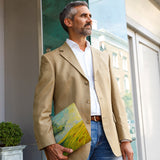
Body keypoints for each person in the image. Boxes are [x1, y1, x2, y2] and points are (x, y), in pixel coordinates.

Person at [33, 1, 134, 160]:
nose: (89, 19)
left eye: (90, 16)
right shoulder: (51, 60)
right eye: (83, 16)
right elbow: (42, 109)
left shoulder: (103, 57)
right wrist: (48, 144)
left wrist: (125, 138)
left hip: (108, 135)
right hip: (73, 135)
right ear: (69, 22)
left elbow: (116, 101)